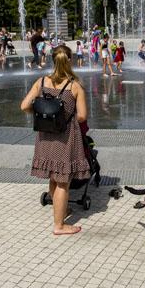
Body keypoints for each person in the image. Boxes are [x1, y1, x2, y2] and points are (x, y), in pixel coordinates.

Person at [20, 45, 89, 236]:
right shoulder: (74, 86)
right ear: (70, 61)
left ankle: (62, 209)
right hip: (65, 137)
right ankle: (59, 225)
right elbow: (82, 116)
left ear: (53, 60)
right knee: (63, 182)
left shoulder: (41, 81)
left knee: (53, 174)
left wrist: (42, 113)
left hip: (45, 136)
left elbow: (24, 105)